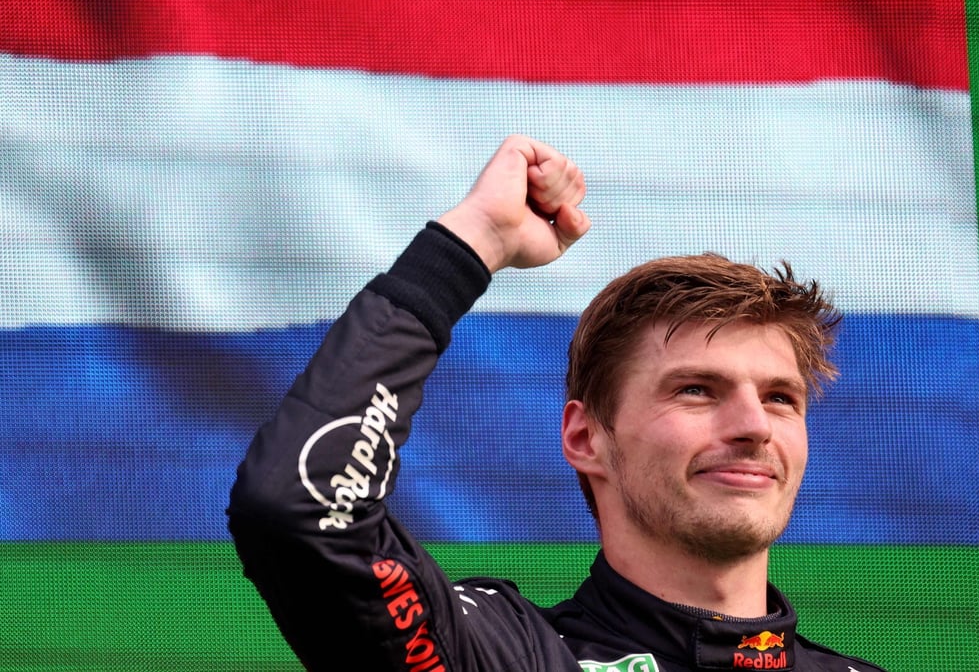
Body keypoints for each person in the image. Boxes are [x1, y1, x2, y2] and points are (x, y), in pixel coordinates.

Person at [228, 135, 886, 671]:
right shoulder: (507, 658)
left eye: (780, 399)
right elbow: (301, 509)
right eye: (696, 390)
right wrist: (473, 241)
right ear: (585, 438)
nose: (752, 428)